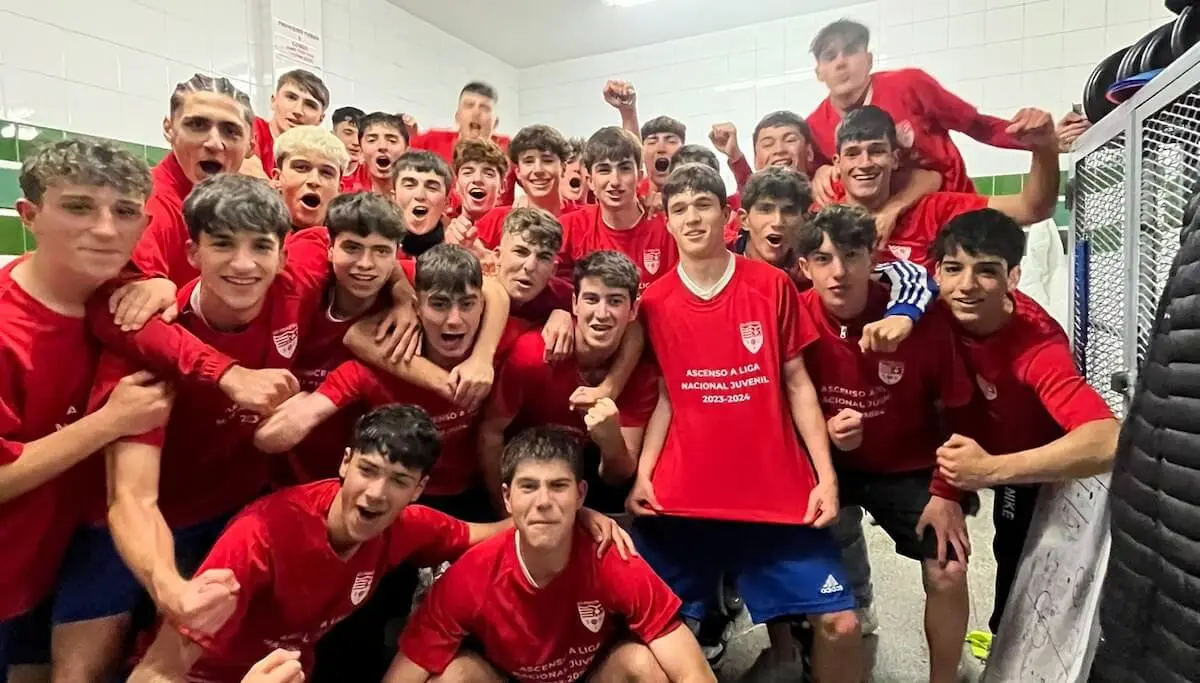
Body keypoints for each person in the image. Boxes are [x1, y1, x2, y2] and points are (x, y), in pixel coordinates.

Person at [128, 405, 617, 683]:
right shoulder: (260, 538)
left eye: (399, 480)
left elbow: (494, 531)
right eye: (367, 470)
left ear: (419, 489)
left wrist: (572, 511)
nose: (377, 493)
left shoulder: (408, 527)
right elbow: (152, 675)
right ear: (345, 462)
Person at [626, 164, 861, 683]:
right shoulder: (655, 302)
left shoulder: (771, 284)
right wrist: (644, 473)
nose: (692, 218)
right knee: (648, 633)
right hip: (687, 497)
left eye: (703, 205)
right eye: (680, 209)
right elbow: (667, 393)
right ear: (666, 222)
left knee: (841, 624)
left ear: (728, 215)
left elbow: (797, 383)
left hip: (774, 494)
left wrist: (825, 475)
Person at [94, 174, 331, 639]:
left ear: (282, 255)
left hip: (239, 511)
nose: (243, 265)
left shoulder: (295, 286)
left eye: (261, 247)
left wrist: (403, 300)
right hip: (154, 521)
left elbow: (328, 236)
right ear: (192, 254)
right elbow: (132, 498)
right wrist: (168, 586)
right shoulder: (151, 339)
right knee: (87, 665)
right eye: (222, 244)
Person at [0, 139, 172, 681]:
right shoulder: (7, 328)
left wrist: (163, 285)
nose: (104, 229)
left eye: (123, 212)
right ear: (30, 216)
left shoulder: (129, 301)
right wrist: (110, 422)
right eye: (77, 207)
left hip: (70, 562)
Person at [797, 205, 975, 683]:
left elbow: (960, 412)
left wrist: (947, 493)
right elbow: (780, 406)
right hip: (827, 465)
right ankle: (809, 647)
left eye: (851, 255)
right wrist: (826, 427)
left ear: (872, 256)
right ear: (804, 267)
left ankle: (945, 678)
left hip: (910, 465)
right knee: (797, 562)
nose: (838, 272)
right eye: (822, 259)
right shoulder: (791, 317)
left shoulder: (920, 319)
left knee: (949, 568)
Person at [385, 427, 716, 683]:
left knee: (642, 665)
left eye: (558, 486)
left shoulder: (614, 560)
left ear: (580, 495)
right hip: (507, 678)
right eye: (528, 487)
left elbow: (692, 673)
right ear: (508, 497)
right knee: (455, 676)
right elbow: (403, 676)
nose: (544, 501)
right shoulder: (469, 577)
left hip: (592, 677)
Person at [929, 209, 1119, 646]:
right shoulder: (927, 309)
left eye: (987, 272)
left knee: (1020, 555)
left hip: (1022, 461)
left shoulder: (1036, 346)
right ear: (937, 271)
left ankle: (1007, 645)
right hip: (960, 444)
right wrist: (946, 490)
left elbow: (1107, 437)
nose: (967, 286)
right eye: (954, 269)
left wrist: (992, 470)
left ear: (1013, 276)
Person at [254, 244, 526, 522]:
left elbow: (533, 316)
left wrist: (561, 317)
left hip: (470, 492)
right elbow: (273, 437)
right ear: (417, 307)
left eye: (467, 304)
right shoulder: (375, 366)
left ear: (482, 304)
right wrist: (292, 410)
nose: (454, 320)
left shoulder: (506, 343)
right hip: (396, 500)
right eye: (439, 304)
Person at [479, 249, 658, 514]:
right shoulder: (533, 355)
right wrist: (504, 514)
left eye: (615, 301)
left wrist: (610, 440)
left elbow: (617, 476)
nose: (601, 313)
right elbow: (490, 432)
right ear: (574, 304)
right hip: (526, 472)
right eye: (591, 299)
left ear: (632, 310)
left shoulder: (640, 374)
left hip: (590, 482)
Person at [806, 20, 1026, 199]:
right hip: (886, 232)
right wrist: (818, 172)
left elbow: (978, 125)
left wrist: (1046, 140)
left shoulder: (910, 85)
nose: (841, 63)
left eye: (851, 51)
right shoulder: (814, 127)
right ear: (819, 72)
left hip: (950, 211)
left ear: (869, 60)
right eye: (830, 56)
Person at [835, 105, 1059, 269]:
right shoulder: (821, 216)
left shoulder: (934, 210)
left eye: (876, 151)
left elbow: (1032, 208)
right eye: (852, 154)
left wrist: (1045, 148)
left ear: (894, 159)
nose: (864, 163)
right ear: (837, 163)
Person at [557, 127, 677, 289]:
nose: (615, 181)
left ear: (640, 177)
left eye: (625, 168)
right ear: (590, 180)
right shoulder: (570, 228)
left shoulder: (669, 226)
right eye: (604, 170)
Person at [468, 124, 573, 250]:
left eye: (547, 160)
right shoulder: (496, 220)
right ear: (518, 172)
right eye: (528, 161)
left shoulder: (584, 219)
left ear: (563, 168)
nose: (538, 170)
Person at [242, 69, 329, 179]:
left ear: (320, 120)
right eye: (291, 97)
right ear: (274, 101)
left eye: (310, 105)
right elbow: (250, 176)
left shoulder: (316, 154)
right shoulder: (252, 126)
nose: (298, 111)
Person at [271, 125, 349, 231]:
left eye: (326, 172)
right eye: (301, 168)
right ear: (277, 178)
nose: (314, 181)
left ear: (339, 190)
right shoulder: (249, 232)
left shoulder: (349, 241)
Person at [393, 151, 456, 260]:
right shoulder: (374, 242)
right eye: (409, 185)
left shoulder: (460, 247)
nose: (420, 195)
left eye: (432, 187)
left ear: (447, 202)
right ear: (393, 197)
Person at [342, 112, 410, 195]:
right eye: (372, 140)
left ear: (406, 151)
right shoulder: (350, 202)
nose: (382, 146)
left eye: (392, 140)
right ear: (361, 153)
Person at [451, 138, 507, 222]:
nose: (477, 179)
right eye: (468, 173)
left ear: (502, 186)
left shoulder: (515, 232)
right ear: (456, 184)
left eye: (488, 174)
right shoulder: (442, 229)